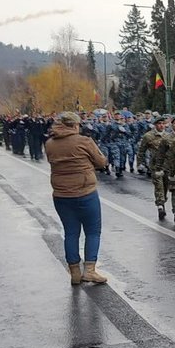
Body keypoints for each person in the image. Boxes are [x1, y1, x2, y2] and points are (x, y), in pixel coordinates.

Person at [44, 111, 109, 285]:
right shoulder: (84, 141)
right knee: (93, 231)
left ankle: (74, 272)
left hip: (61, 195)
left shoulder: (49, 143)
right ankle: (90, 270)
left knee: (71, 232)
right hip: (85, 192)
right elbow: (101, 162)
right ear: (74, 125)